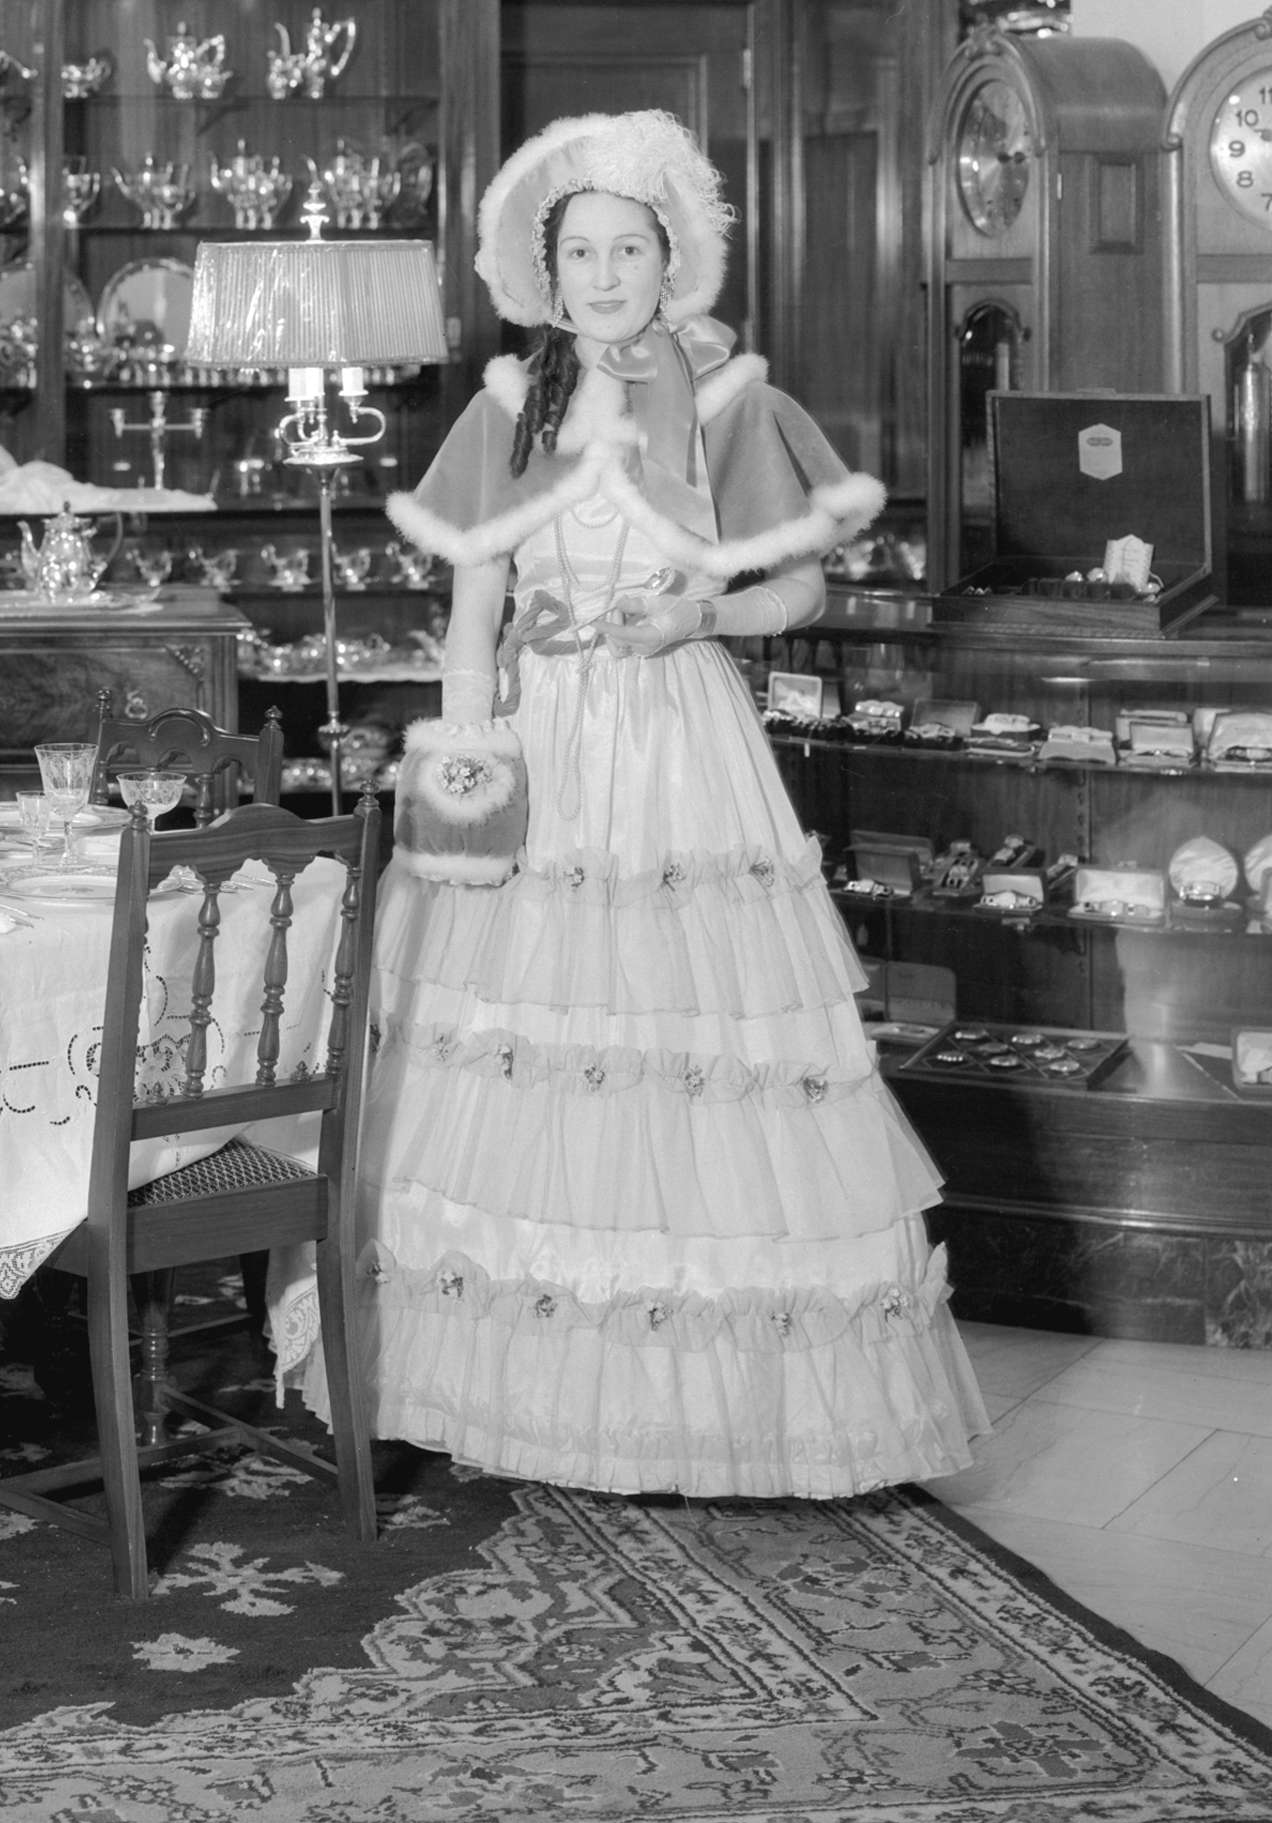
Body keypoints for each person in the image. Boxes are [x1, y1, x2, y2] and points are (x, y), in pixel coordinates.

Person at [341, 109, 986, 1500]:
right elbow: (472, 603)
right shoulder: (513, 403)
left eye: (630, 247)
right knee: (527, 1043)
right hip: (542, 736)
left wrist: (713, 605)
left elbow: (806, 581)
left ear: (670, 256)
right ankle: (501, 1393)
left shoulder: (728, 391)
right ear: (548, 269)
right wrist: (464, 752)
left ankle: (705, 1413)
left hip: (682, 733)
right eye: (582, 250)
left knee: (689, 1049)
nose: (606, 272)